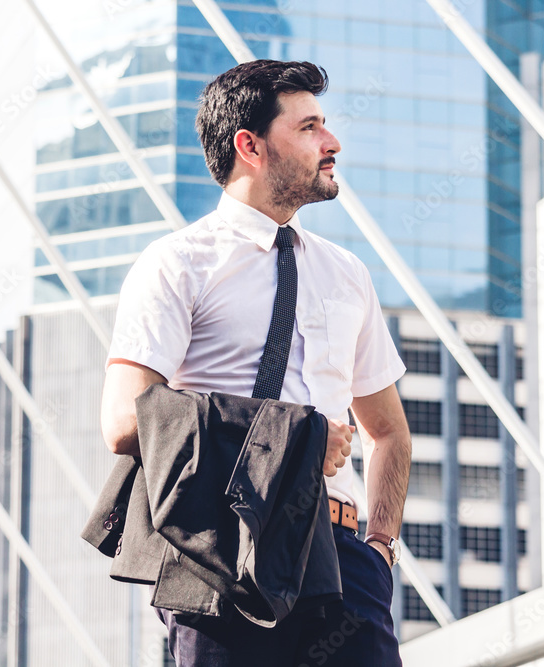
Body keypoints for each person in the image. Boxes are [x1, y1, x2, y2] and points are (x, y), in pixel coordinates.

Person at [99, 60, 411, 666]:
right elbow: (125, 421)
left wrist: (380, 548)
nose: (333, 142)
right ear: (251, 146)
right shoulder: (176, 265)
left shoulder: (347, 274)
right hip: (219, 551)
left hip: (344, 560)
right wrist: (295, 442)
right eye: (310, 127)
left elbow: (389, 431)